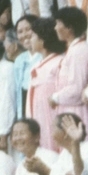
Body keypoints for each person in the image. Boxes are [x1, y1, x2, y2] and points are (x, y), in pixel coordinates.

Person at [50, 7, 88, 139]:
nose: (55, 28)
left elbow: (77, 88)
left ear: (69, 28)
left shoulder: (78, 51)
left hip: (76, 111)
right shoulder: (73, 50)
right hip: (67, 109)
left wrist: (55, 98)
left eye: (58, 24)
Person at [26, 19, 66, 150]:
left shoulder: (59, 63)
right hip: (37, 116)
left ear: (42, 40)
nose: (29, 39)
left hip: (51, 116)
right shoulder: (37, 65)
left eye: (32, 36)